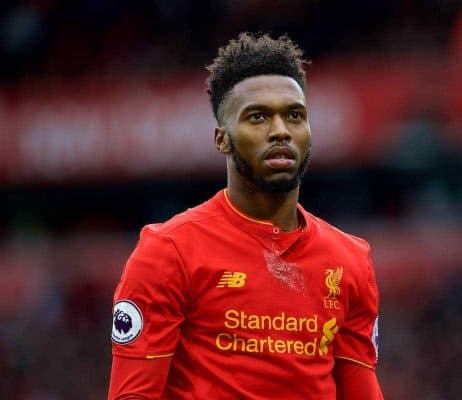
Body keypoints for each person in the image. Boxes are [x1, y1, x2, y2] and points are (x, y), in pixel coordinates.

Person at [108, 32, 383, 400]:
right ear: (222, 139)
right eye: (258, 117)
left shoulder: (351, 261)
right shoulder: (168, 252)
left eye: (294, 116)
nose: (281, 130)